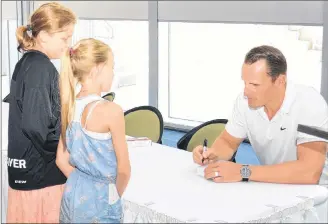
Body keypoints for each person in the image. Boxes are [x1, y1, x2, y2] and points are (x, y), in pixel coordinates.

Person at [193, 45, 328, 185]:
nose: (246, 92)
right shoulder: (245, 102)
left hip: (318, 195)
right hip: (274, 186)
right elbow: (228, 142)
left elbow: (309, 172)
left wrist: (243, 171)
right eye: (245, 83)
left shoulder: (310, 103)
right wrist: (212, 154)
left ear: (280, 81)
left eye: (255, 85)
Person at [6, 2, 76, 223]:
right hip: (41, 178)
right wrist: (64, 158)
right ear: (44, 36)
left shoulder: (27, 62)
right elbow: (37, 128)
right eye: (65, 38)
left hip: (27, 173)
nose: (69, 44)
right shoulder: (41, 69)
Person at [56, 38, 131, 223]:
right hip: (101, 201)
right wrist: (114, 195)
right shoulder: (111, 111)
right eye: (111, 67)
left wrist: (81, 183)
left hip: (72, 195)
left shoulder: (68, 105)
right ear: (97, 68)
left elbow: (61, 159)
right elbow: (124, 170)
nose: (113, 73)